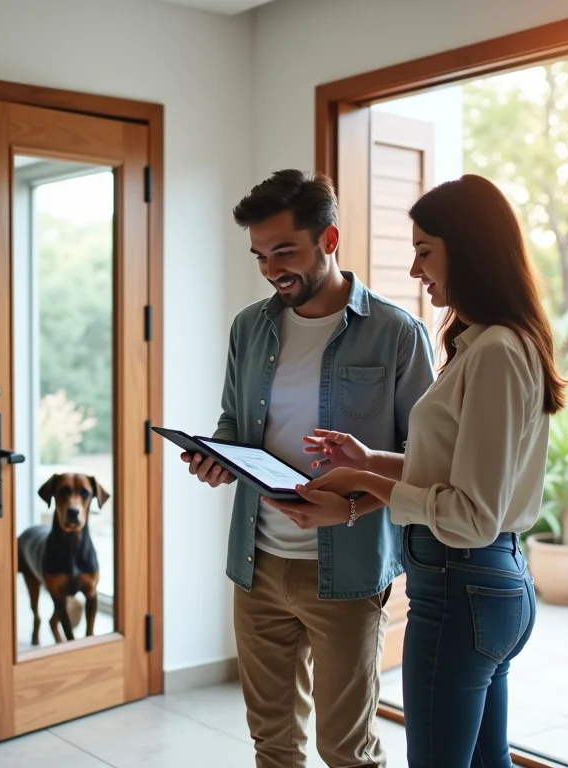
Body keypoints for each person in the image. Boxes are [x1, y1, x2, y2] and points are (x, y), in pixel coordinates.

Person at [274, 174, 568, 767]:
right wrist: (371, 459)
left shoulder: (496, 353)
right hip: (486, 582)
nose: (414, 270)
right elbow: (462, 473)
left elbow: (470, 514)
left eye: (424, 251)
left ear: (471, 250)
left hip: (463, 583)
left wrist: (363, 484)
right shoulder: (489, 344)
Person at [182, 169, 435, 768]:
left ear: (330, 239)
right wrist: (215, 456)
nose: (271, 268)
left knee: (345, 749)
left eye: (284, 251)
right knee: (273, 744)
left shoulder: (397, 334)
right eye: (261, 255)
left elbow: (427, 464)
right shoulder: (250, 326)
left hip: (347, 570)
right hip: (256, 564)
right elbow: (233, 422)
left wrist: (351, 505)